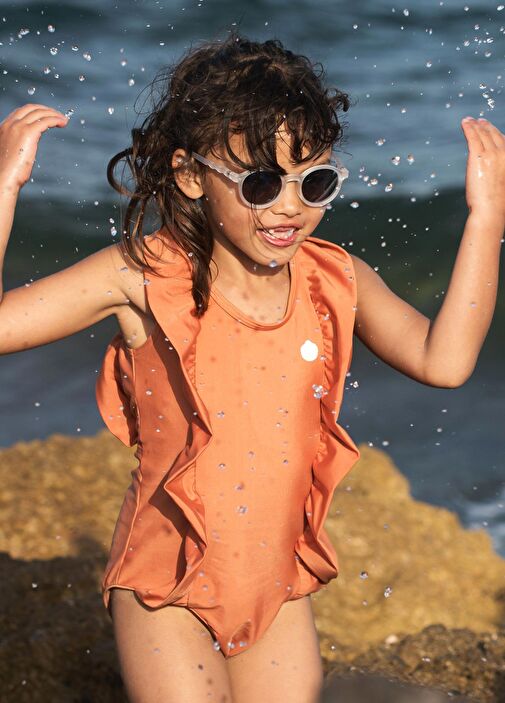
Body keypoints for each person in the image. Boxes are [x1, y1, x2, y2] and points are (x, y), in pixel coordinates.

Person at [0, 31, 503, 703]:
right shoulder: (142, 276)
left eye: (314, 181)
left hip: (277, 589)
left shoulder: (334, 278)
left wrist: (486, 216)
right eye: (261, 183)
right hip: (166, 585)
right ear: (190, 175)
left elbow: (445, 361)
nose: (290, 206)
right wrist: (5, 184)